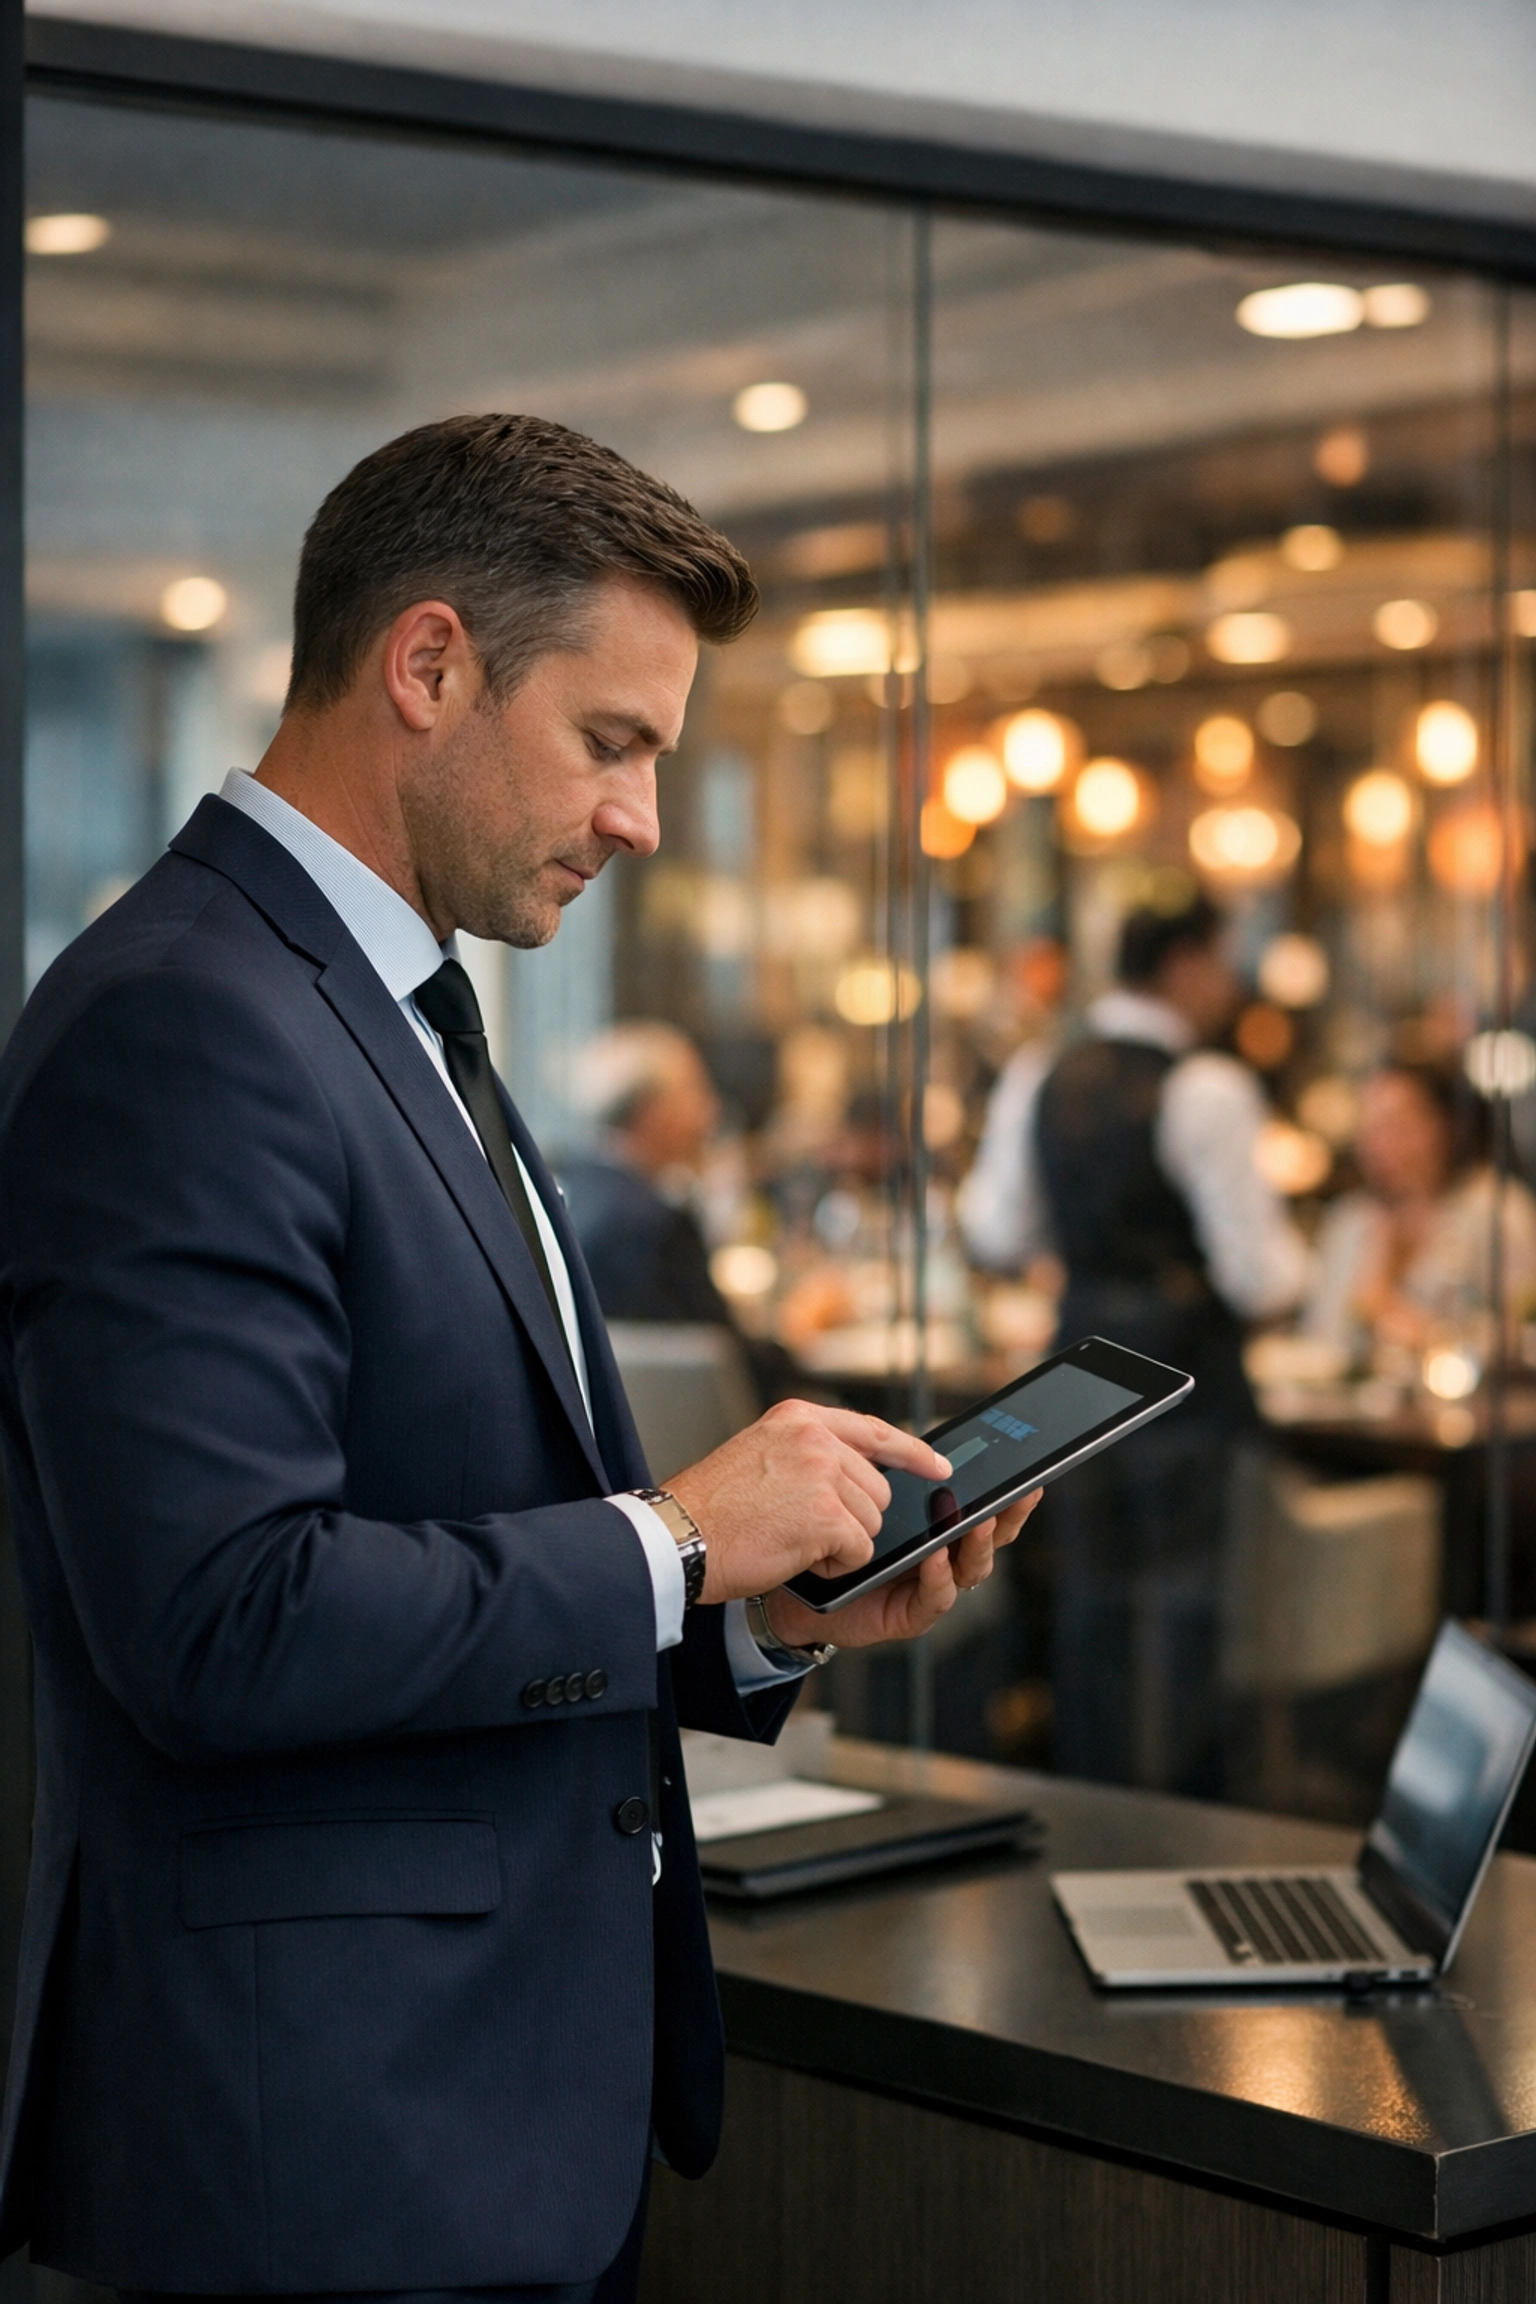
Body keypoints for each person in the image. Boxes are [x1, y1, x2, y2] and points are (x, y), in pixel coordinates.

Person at [0, 415, 1037, 2304]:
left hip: (476, 2118)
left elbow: (463, 1518)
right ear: (427, 665)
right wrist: (676, 1537)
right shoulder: (185, 1020)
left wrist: (763, 1615)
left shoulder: (402, 1006)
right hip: (314, 2157)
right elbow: (220, 1617)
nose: (640, 816)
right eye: (612, 741)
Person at [987, 896, 1311, 1791]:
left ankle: (1088, 1809)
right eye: (1223, 959)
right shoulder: (1207, 1087)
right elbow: (1262, 1277)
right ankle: (1186, 1824)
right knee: (1188, 1613)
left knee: (1089, 1603)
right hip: (1185, 1374)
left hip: (1077, 1368)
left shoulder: (1041, 1071)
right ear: (1186, 964)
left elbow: (997, 1230)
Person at [1303, 1061, 1536, 1364]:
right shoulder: (1351, 1219)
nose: (1378, 1145)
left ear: (1447, 1126)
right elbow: (1319, 1338)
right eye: (1369, 1128)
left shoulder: (1494, 1210)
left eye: (1396, 1126)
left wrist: (1419, 1331)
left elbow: (1521, 1331)